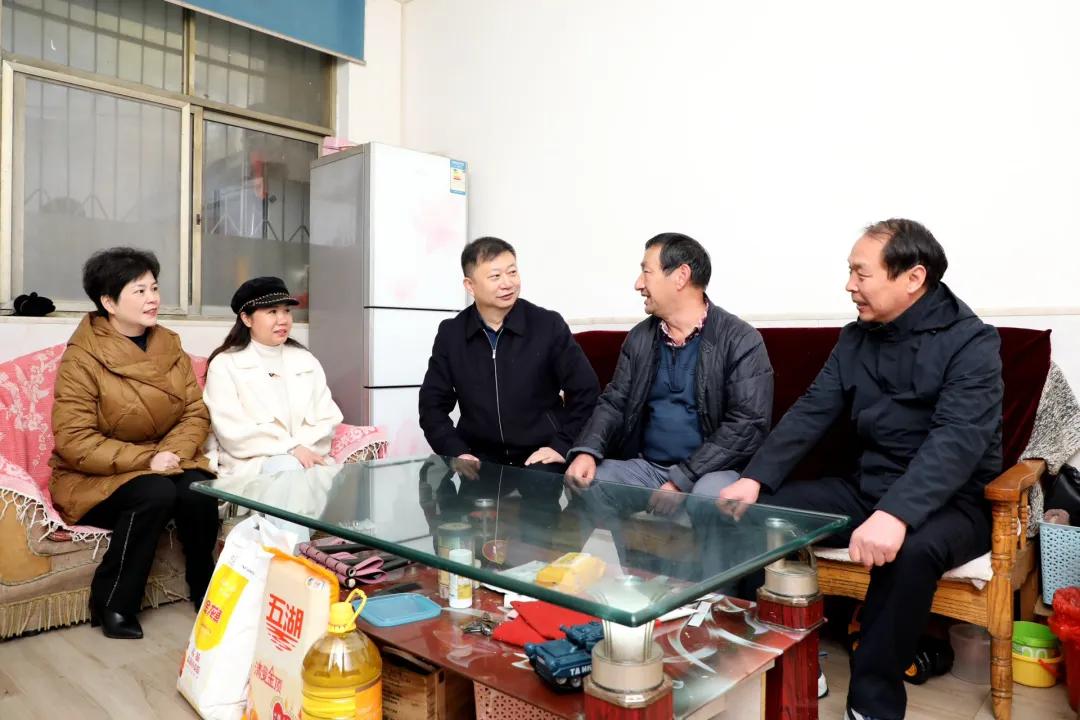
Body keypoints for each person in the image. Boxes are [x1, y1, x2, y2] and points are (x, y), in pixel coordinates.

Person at [719, 219, 1003, 720]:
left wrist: (896, 514)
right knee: (756, 517)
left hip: (951, 502)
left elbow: (956, 442)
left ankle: (873, 705)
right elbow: (812, 410)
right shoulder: (856, 339)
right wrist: (754, 478)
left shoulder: (972, 342)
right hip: (868, 488)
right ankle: (791, 661)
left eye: (861, 273)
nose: (849, 285)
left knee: (909, 552)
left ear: (913, 277)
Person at [50, 248, 217, 640]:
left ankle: (205, 585)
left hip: (163, 459)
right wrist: (148, 459)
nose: (152, 298)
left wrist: (171, 454)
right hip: (93, 474)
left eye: (154, 288)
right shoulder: (82, 358)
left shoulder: (170, 344)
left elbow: (194, 412)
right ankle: (113, 601)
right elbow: (74, 440)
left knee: (198, 489)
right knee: (155, 493)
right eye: (139, 291)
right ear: (108, 302)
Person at [564, 233, 773, 518]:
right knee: (588, 481)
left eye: (646, 272)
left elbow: (747, 423)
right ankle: (625, 551)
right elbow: (614, 402)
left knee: (709, 498)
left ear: (680, 276)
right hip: (649, 469)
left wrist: (681, 479)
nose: (638, 284)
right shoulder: (640, 338)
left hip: (713, 471)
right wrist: (587, 450)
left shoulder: (740, 339)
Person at [418, 236, 600, 519]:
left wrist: (561, 445)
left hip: (539, 454)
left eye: (512, 272)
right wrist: (457, 452)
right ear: (470, 285)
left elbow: (587, 392)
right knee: (464, 521)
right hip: (480, 457)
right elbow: (431, 405)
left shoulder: (547, 325)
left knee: (539, 509)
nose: (508, 283)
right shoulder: (451, 334)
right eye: (495, 276)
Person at [202, 276, 344, 479]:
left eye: (286, 310)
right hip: (253, 462)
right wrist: (291, 448)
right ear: (246, 319)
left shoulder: (305, 360)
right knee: (287, 470)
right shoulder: (224, 364)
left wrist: (301, 450)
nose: (283, 319)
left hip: (309, 457)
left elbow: (328, 419)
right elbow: (232, 431)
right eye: (272, 312)